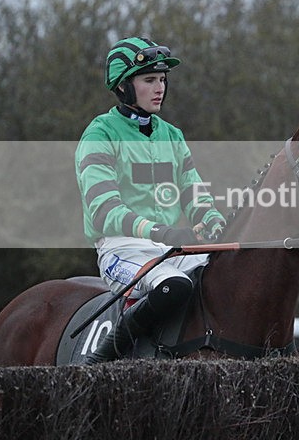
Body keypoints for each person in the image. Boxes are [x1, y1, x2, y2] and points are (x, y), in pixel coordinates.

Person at [75, 36, 225, 364]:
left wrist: (214, 222)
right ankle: (94, 366)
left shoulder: (172, 135)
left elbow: (194, 192)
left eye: (162, 80)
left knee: (225, 276)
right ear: (124, 87)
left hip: (170, 248)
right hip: (122, 249)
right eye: (149, 80)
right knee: (172, 284)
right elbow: (104, 211)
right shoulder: (100, 134)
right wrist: (159, 231)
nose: (160, 88)